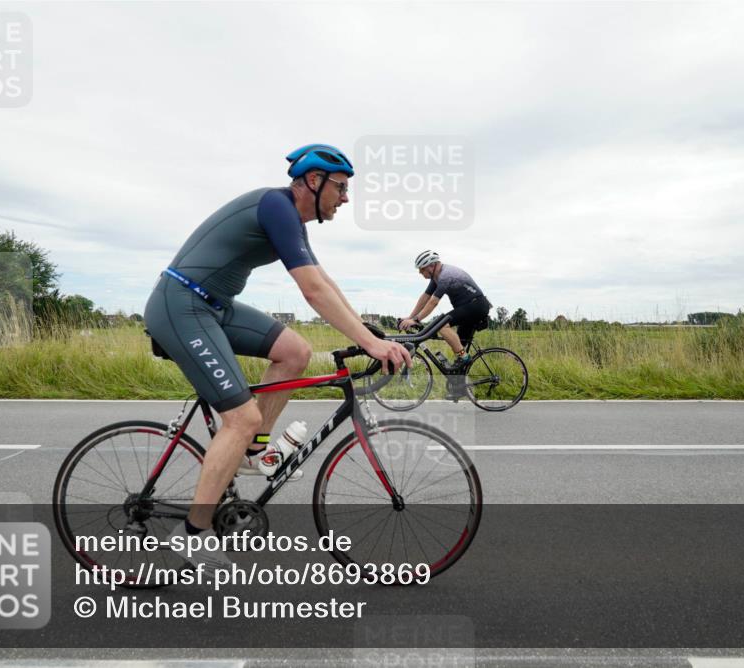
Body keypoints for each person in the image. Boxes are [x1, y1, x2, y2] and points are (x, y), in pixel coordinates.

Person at [144, 144, 412, 567]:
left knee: (295, 352)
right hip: (181, 305)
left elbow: (324, 280)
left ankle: (252, 451)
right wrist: (372, 345)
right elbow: (312, 291)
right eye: (340, 188)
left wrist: (367, 332)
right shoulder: (277, 205)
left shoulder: (291, 219)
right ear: (313, 181)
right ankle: (193, 532)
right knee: (241, 417)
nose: (346, 198)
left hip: (213, 305)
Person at [398, 250, 491, 398]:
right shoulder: (436, 277)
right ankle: (460, 389)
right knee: (459, 349)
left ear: (432, 265)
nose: (420, 273)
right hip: (467, 308)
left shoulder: (446, 275)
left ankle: (464, 357)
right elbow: (425, 297)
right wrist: (410, 317)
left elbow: (433, 302)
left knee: (441, 325)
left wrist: (416, 320)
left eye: (422, 269)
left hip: (476, 306)